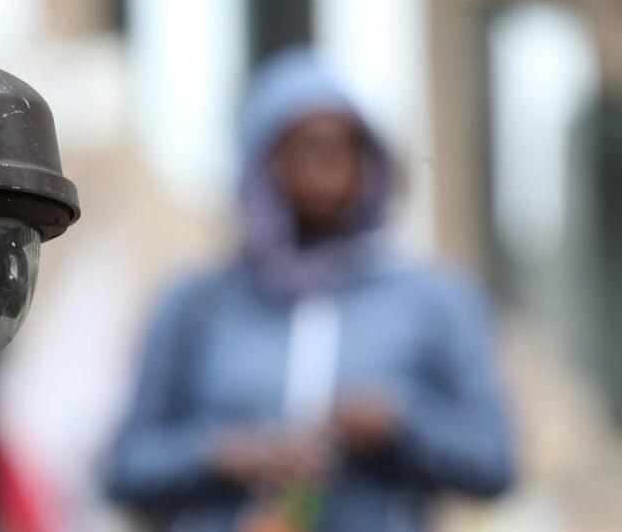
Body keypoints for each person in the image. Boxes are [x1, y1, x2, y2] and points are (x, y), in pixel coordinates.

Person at [104, 49, 514, 531]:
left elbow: (495, 462)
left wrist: (399, 424)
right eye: (304, 150)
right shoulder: (196, 302)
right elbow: (124, 469)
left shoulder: (432, 300)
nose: (326, 172)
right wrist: (223, 454)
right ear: (260, 164)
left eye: (344, 150)